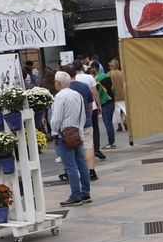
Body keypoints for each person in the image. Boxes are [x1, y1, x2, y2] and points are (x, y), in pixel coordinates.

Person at [49, 70, 91, 207]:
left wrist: (54, 132)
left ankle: (75, 195)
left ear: (58, 83)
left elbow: (56, 118)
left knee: (70, 166)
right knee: (82, 163)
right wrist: (79, 129)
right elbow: (83, 114)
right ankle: (85, 193)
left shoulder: (59, 97)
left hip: (64, 135)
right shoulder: (77, 95)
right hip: (77, 132)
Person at [93, 61, 119, 150]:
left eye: (91, 68)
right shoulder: (107, 75)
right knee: (109, 123)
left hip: (105, 102)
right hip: (111, 101)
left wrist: (98, 103)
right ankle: (112, 142)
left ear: (95, 68)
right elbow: (113, 88)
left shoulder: (97, 79)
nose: (90, 70)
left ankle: (111, 143)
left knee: (107, 123)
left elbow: (97, 92)